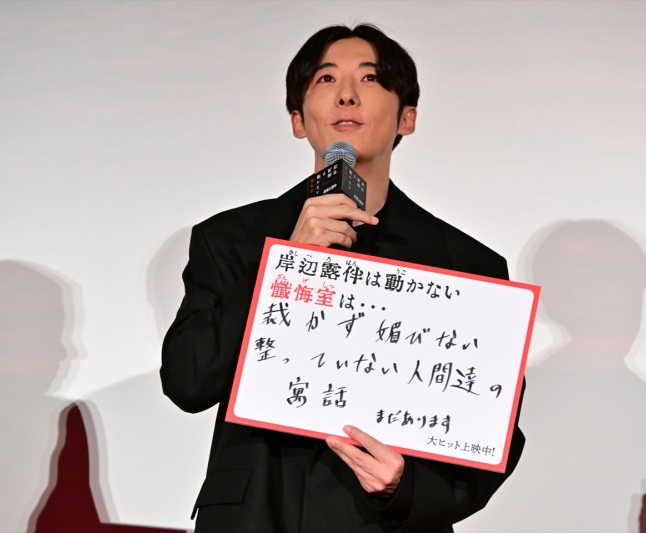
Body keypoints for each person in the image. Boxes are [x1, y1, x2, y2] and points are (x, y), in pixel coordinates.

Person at [161, 23, 525, 532]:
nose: (347, 95)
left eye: (371, 78)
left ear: (408, 118)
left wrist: (406, 486)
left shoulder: (466, 264)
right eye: (326, 79)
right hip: (257, 515)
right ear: (297, 120)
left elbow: (490, 432)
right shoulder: (230, 239)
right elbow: (188, 381)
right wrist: (287, 261)